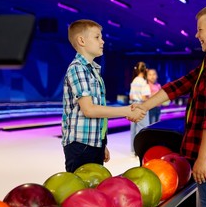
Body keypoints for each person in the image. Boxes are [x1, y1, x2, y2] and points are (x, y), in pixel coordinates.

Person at [132, 2, 206, 207]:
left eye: (200, 29)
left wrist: (202, 159)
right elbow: (178, 86)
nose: (196, 34)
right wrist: (144, 106)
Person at [62, 19, 145, 173]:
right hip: (80, 145)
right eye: (97, 37)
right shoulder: (78, 69)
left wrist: (101, 144)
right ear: (82, 41)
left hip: (92, 143)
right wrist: (126, 111)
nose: (102, 41)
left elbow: (97, 114)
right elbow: (89, 110)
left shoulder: (93, 70)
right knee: (80, 193)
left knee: (94, 192)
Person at [129, 61, 151, 155]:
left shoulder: (134, 81)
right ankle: (140, 150)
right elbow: (144, 97)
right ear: (146, 70)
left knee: (133, 129)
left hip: (133, 106)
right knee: (143, 129)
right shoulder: (143, 82)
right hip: (141, 106)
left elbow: (130, 96)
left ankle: (134, 150)